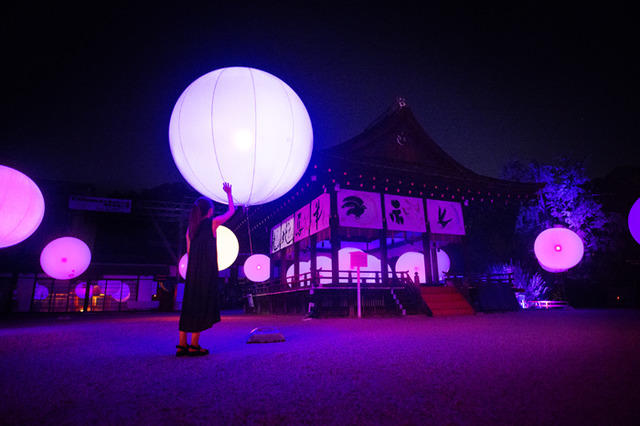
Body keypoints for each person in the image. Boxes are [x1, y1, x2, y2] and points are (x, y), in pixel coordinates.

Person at [177, 183, 235, 357]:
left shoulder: (191, 229)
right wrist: (229, 194)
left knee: (189, 304)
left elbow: (188, 252)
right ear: (209, 211)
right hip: (205, 270)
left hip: (192, 271)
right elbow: (231, 212)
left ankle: (182, 345)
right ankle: (194, 345)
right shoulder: (212, 223)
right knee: (201, 305)